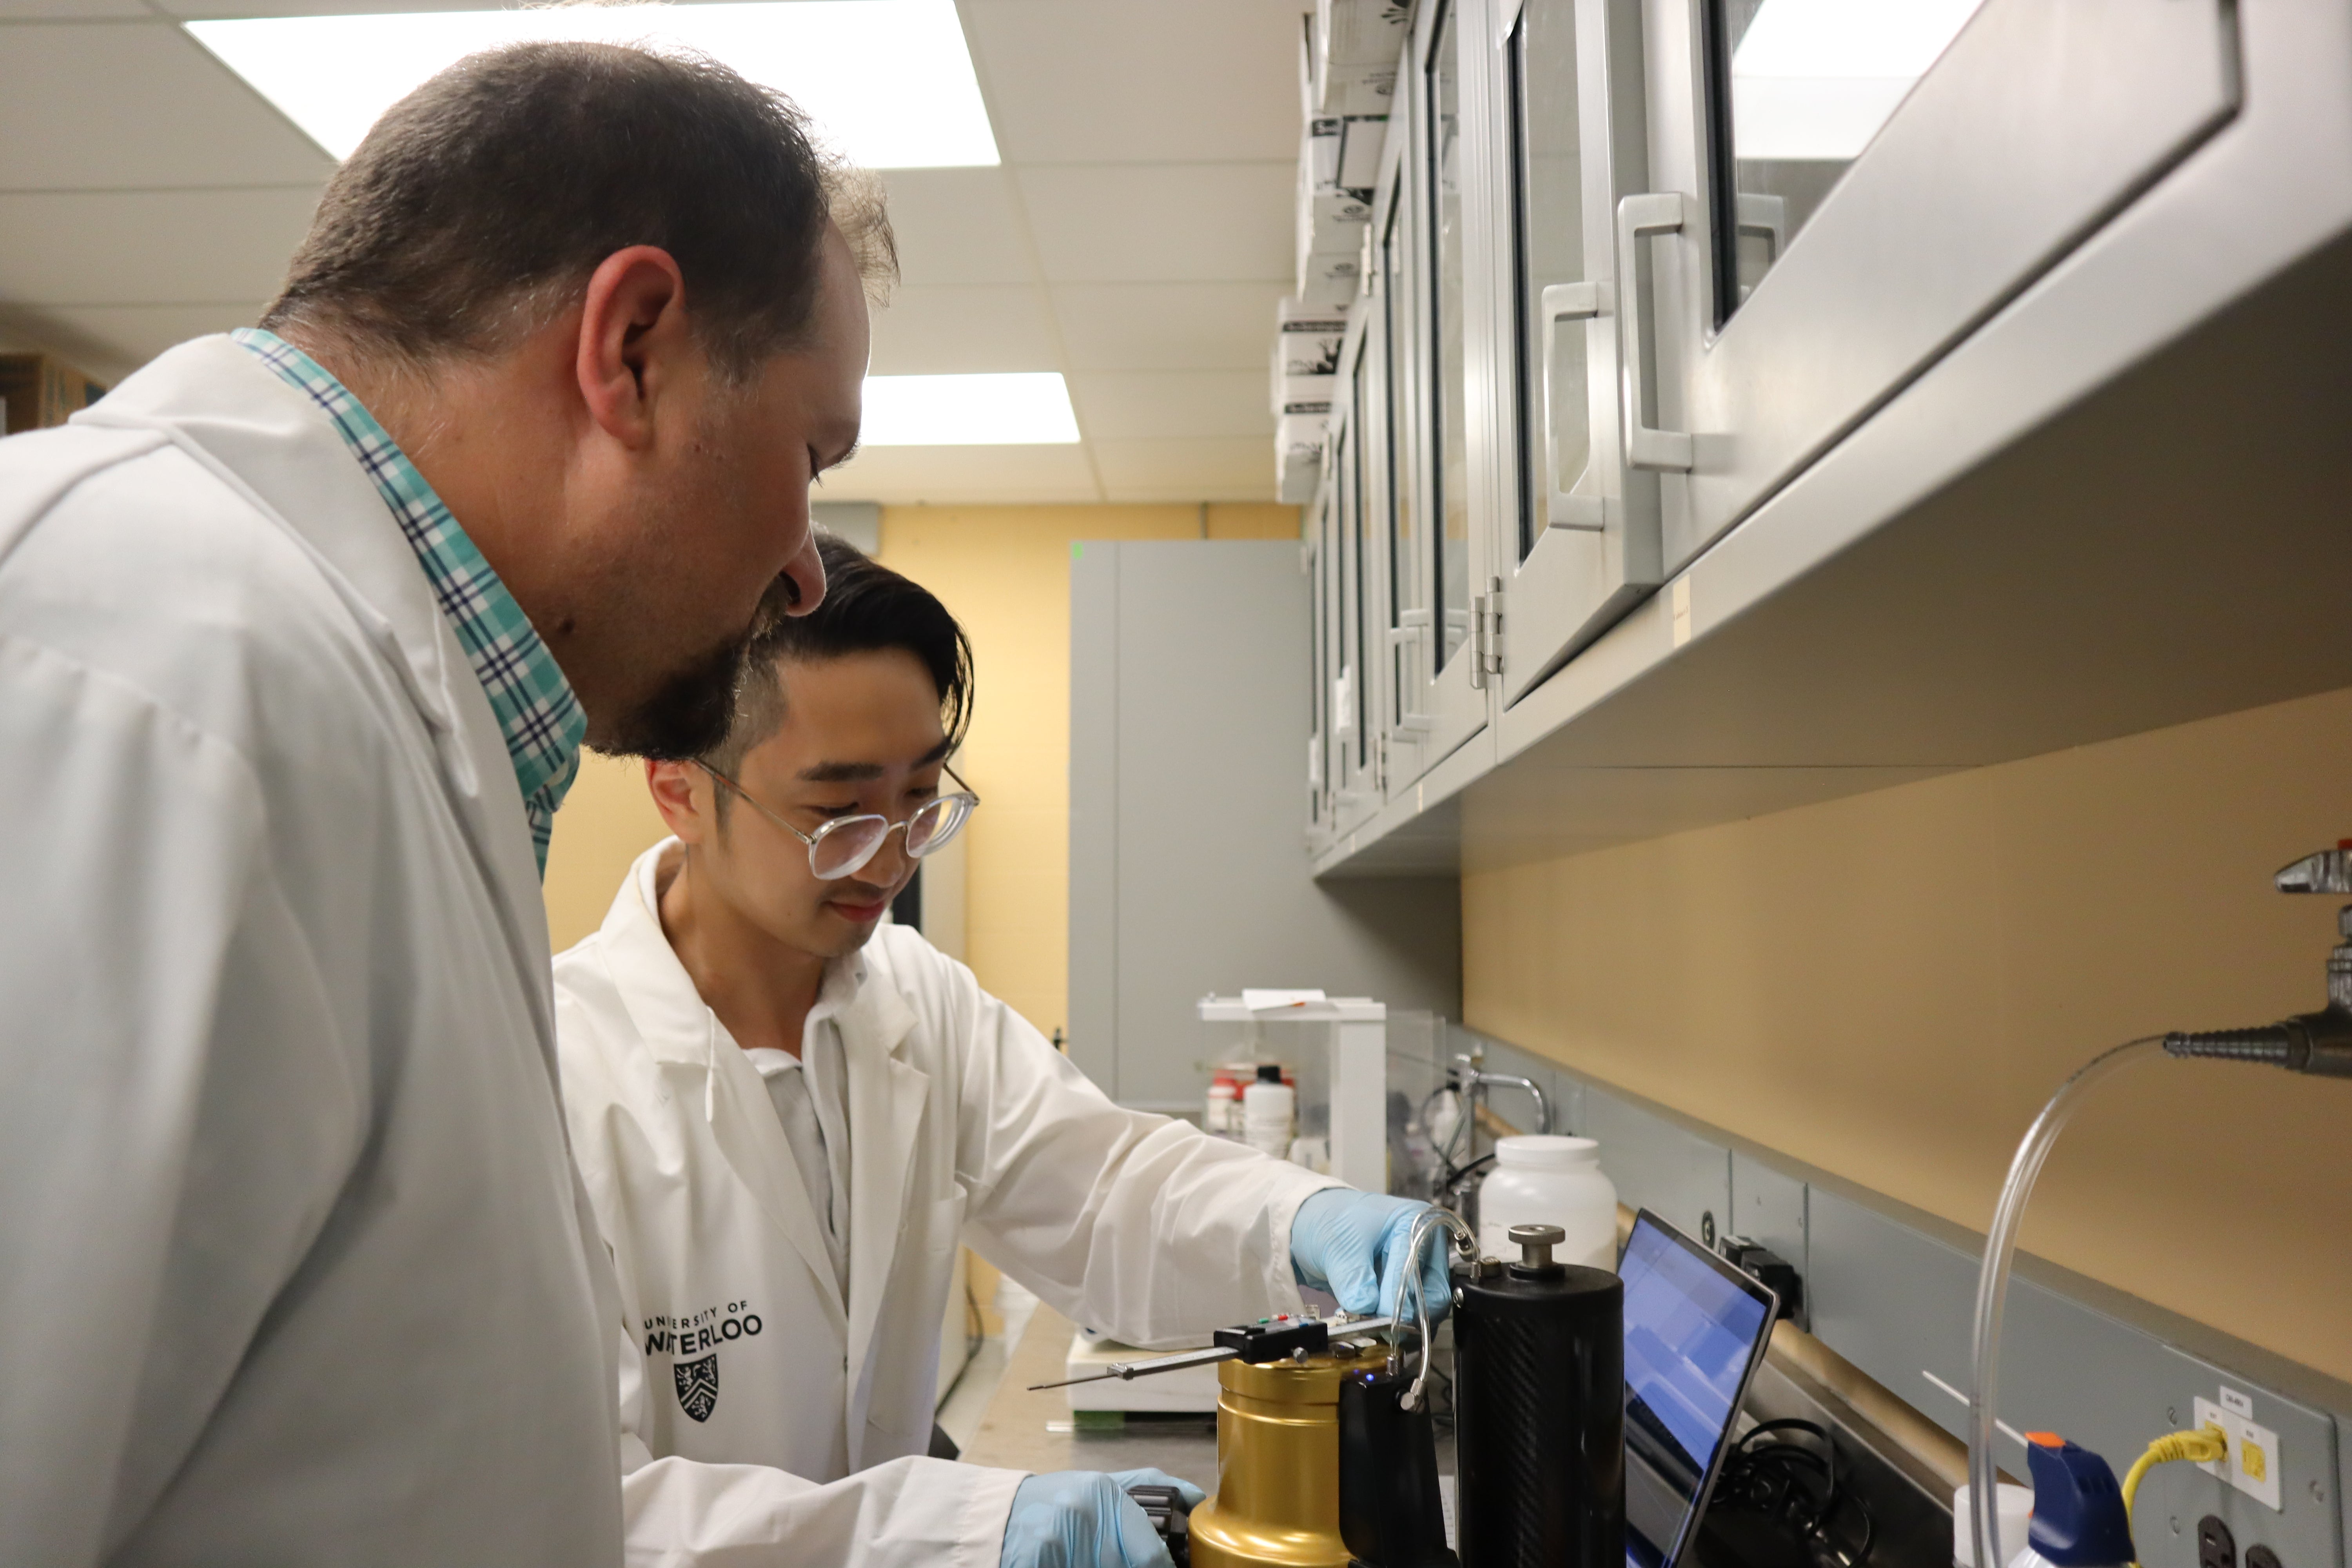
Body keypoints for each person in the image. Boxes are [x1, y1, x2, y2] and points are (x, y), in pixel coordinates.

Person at [0, 43, 892, 1564]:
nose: (810, 563)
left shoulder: (375, 710)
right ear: (633, 349)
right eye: (811, 451)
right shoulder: (138, 665)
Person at [555, 535, 1449, 1568]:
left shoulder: (913, 1001)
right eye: (837, 813)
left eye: (922, 797)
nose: (891, 857)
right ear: (678, 790)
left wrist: (1300, 1221)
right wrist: (969, 1530)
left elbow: (1105, 1190)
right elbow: (593, 1515)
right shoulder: (559, 1080)